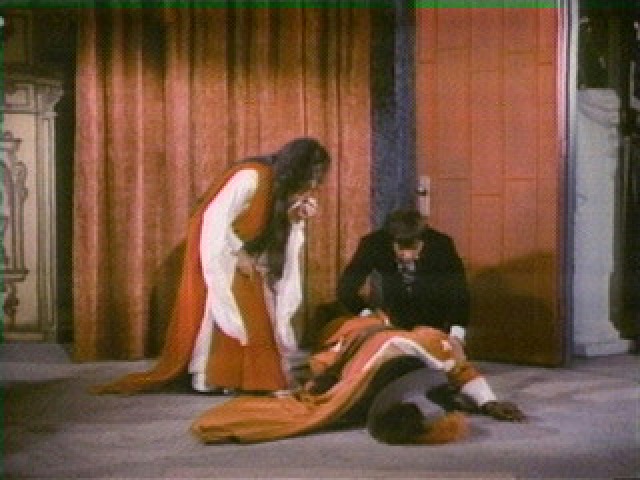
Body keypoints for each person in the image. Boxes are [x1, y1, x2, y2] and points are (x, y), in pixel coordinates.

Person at [92, 137, 331, 395]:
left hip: (242, 252)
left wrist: (294, 218)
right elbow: (214, 218)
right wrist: (237, 252)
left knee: (255, 310)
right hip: (218, 246)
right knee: (231, 306)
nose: (314, 183)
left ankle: (238, 377)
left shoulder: (279, 189)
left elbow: (266, 233)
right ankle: (214, 376)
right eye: (311, 174)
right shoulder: (250, 177)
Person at [190, 312, 525, 444]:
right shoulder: (436, 347)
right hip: (372, 349)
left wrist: (488, 401)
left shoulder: (430, 343)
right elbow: (461, 369)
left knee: (334, 365)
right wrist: (488, 402)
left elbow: (324, 367)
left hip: (366, 349)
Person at [337, 208, 470, 354]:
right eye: (401, 248)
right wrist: (369, 315)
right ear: (391, 241)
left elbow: (459, 293)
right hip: (392, 321)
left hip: (433, 321)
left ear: (422, 240)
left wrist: (456, 334)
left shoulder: (441, 245)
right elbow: (346, 288)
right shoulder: (374, 244)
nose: (407, 255)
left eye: (413, 248)